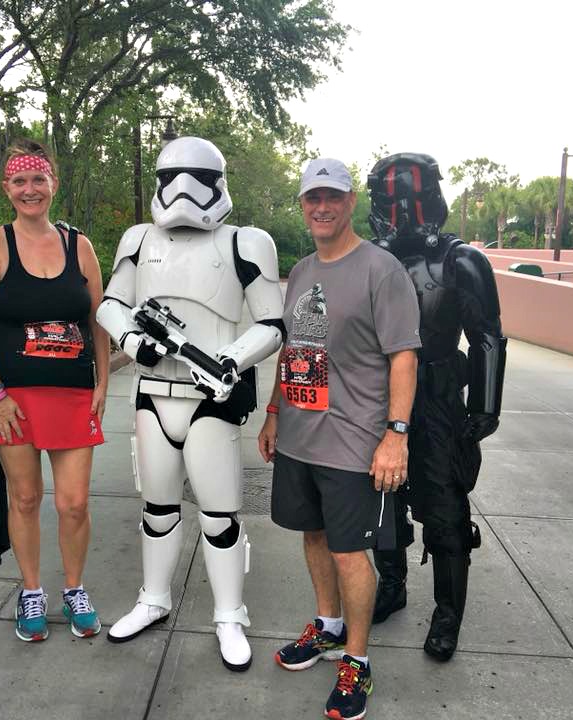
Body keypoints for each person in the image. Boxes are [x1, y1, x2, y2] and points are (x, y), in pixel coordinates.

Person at [96, 136, 284, 671]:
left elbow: (271, 323)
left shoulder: (246, 242)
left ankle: (230, 613)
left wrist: (232, 359)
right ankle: (153, 598)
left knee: (219, 515)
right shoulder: (138, 238)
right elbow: (112, 303)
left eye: (197, 178)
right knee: (157, 508)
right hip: (154, 395)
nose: (182, 190)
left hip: (210, 396)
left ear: (218, 184)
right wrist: (133, 342)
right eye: (171, 177)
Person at [258, 158, 420, 720]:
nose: (321, 207)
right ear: (302, 206)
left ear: (351, 202)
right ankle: (327, 628)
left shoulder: (382, 269)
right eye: (312, 199)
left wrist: (395, 435)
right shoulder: (302, 270)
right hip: (301, 436)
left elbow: (404, 356)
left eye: (332, 197)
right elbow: (295, 347)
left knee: (352, 552)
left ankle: (357, 660)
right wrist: (275, 411)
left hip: (355, 440)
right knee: (314, 535)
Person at [0, 139, 110, 642]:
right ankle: (31, 590)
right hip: (14, 398)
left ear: (54, 183)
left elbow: (99, 321)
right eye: (19, 180)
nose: (30, 189)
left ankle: (74, 588)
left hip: (72, 393)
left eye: (38, 179)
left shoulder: (80, 245)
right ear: (7, 188)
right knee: (25, 498)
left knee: (74, 503)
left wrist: (102, 382)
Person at [366, 152, 506, 662]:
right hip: (376, 398)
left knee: (445, 513)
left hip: (441, 398)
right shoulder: (367, 258)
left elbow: (487, 334)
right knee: (382, 503)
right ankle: (391, 585)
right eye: (393, 197)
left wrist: (485, 406)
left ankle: (448, 613)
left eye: (412, 197)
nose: (403, 209)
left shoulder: (461, 261)